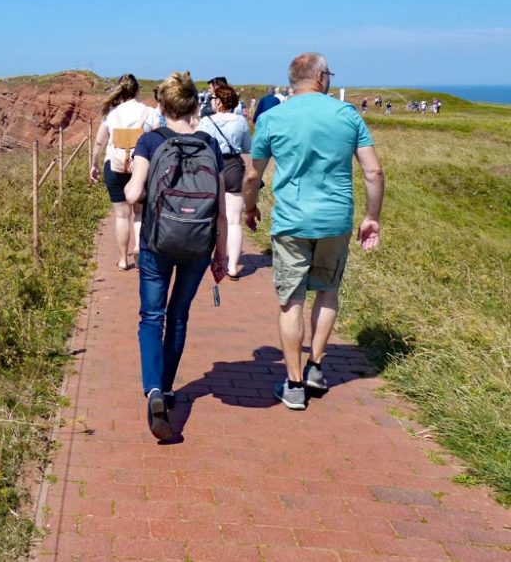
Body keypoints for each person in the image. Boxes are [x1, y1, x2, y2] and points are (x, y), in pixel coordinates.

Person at [243, 53, 384, 411]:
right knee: (327, 291)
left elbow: (252, 175)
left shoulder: (272, 117)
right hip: (335, 219)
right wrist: (372, 216)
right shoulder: (348, 115)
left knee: (291, 300)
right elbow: (373, 172)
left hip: (291, 220)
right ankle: (316, 367)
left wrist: (249, 206)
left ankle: (292, 385)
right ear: (321, 77)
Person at [124, 71, 228, 439]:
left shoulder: (151, 142)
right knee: (178, 315)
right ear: (193, 105)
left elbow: (134, 194)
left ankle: (153, 389)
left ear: (162, 105)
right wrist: (221, 255)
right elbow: (219, 210)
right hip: (198, 245)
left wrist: (132, 171)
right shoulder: (209, 145)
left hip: (157, 242)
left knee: (152, 317)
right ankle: (168, 389)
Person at [90, 74, 156, 271]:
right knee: (139, 212)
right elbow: (159, 137)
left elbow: (99, 143)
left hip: (115, 167)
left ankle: (122, 260)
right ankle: (138, 247)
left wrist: (93, 164)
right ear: (137, 90)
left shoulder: (112, 114)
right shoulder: (148, 112)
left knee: (121, 215)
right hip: (140, 167)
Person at [196, 83, 251, 279]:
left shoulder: (206, 121)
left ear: (218, 101)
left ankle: (208, 256)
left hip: (211, 165)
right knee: (234, 219)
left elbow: (199, 144)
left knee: (209, 214)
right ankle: (233, 266)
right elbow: (246, 147)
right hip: (233, 166)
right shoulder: (241, 121)